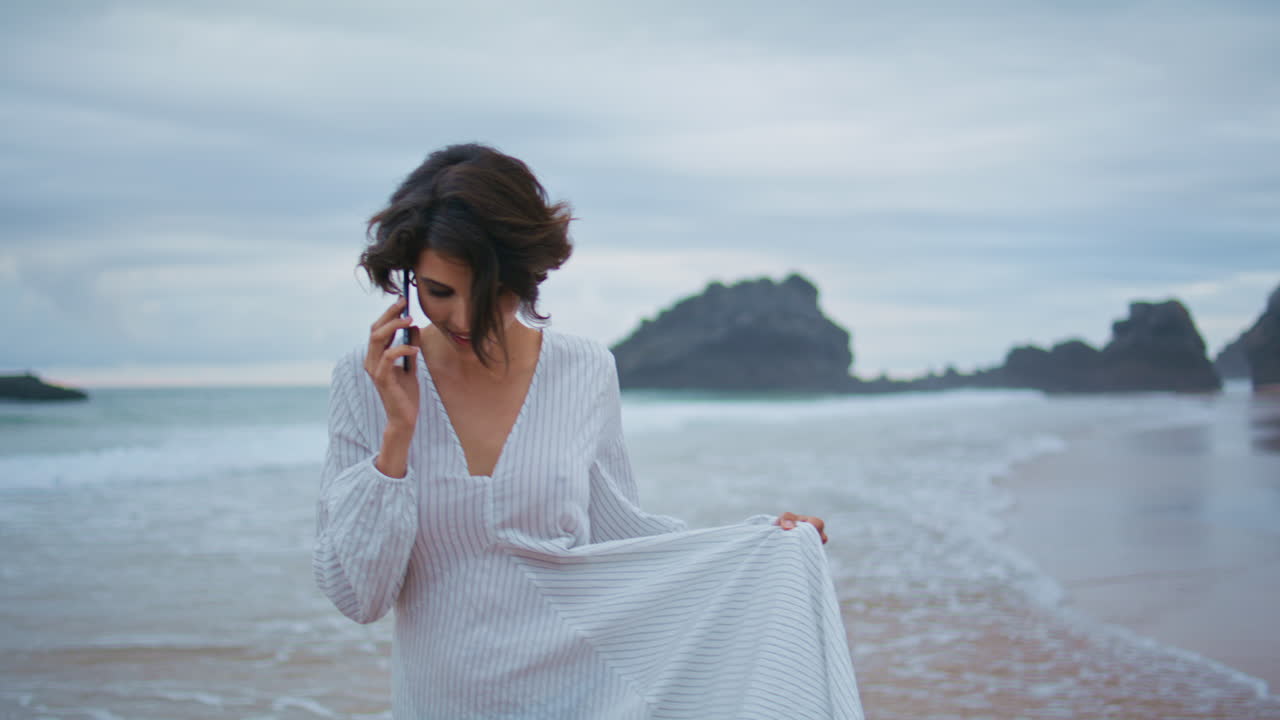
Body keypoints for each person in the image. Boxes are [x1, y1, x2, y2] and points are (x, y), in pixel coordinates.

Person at [313, 143, 863, 719]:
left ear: (529, 273)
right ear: (405, 279)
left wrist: (759, 547)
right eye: (439, 291)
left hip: (579, 697)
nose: (464, 319)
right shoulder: (366, 379)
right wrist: (397, 436)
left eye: (492, 291)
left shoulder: (584, 369)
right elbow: (357, 596)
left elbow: (621, 536)